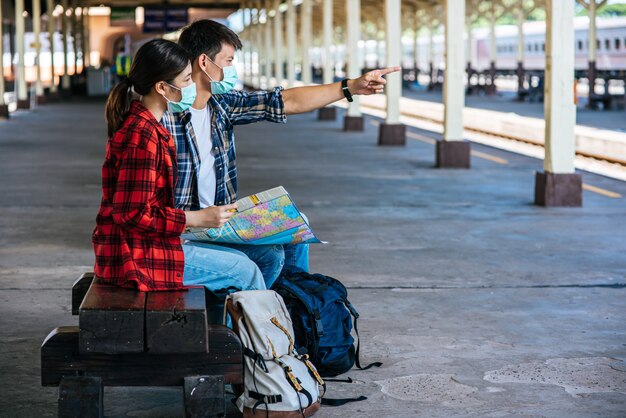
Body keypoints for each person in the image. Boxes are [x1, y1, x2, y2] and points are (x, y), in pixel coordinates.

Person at [162, 20, 399, 289]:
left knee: (296, 229)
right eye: (227, 61)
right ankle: (258, 321)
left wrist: (350, 87)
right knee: (270, 257)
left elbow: (285, 101)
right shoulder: (166, 118)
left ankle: (297, 310)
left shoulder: (221, 106)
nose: (231, 69)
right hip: (187, 228)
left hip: (218, 222)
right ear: (204, 63)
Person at [93, 39, 266, 294]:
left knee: (253, 261)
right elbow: (132, 215)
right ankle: (261, 333)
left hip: (147, 244)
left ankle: (231, 330)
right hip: (137, 257)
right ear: (162, 87)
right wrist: (197, 218)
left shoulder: (151, 127)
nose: (193, 87)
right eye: (186, 80)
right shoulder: (142, 136)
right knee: (245, 270)